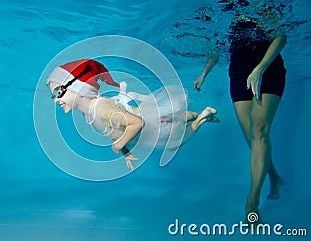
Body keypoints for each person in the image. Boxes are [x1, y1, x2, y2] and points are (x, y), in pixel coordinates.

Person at [47, 59, 219, 171]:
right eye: (54, 95)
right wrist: (125, 151)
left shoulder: (101, 110)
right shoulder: (89, 113)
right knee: (175, 116)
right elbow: (113, 131)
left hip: (151, 129)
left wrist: (118, 146)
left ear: (78, 88)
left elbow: (137, 123)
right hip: (152, 117)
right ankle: (199, 115)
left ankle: (203, 117)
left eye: (59, 92)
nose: (56, 100)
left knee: (177, 142)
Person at [193, 17, 286, 221]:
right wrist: (203, 74)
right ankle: (274, 178)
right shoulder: (226, 8)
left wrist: (259, 70)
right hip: (239, 73)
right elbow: (216, 50)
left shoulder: (261, 1)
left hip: (267, 69)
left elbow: (281, 38)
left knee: (259, 131)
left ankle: (252, 201)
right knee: (251, 139)